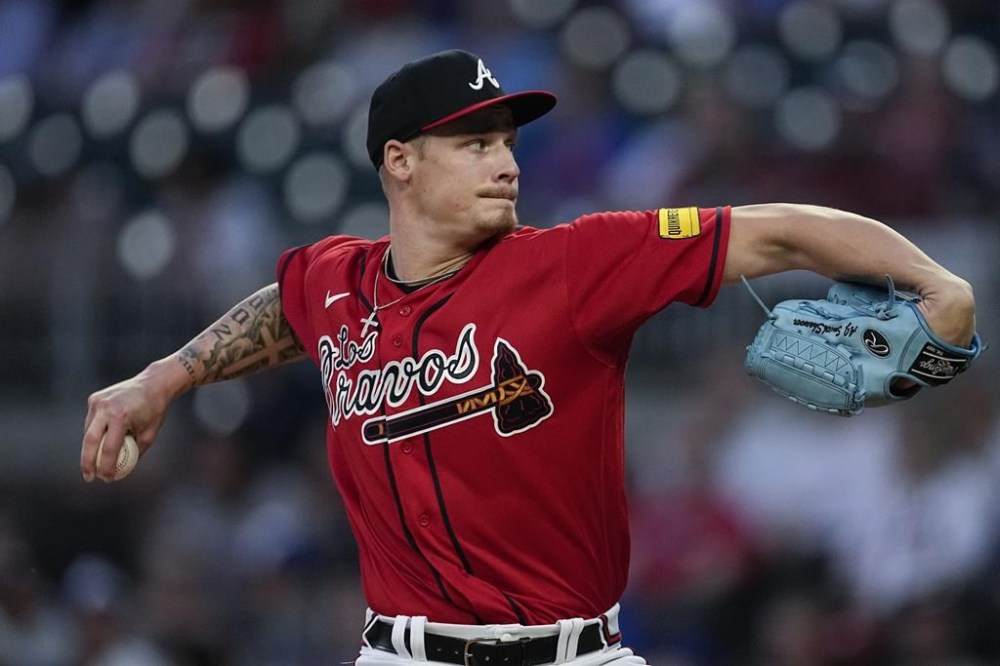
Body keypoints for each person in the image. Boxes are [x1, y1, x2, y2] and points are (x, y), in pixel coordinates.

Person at [81, 49, 978, 665]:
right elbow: (286, 309)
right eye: (474, 143)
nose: (505, 162)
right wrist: (164, 377)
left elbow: (778, 234)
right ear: (399, 161)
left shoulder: (576, 265)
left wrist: (938, 282)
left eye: (508, 141)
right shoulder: (335, 280)